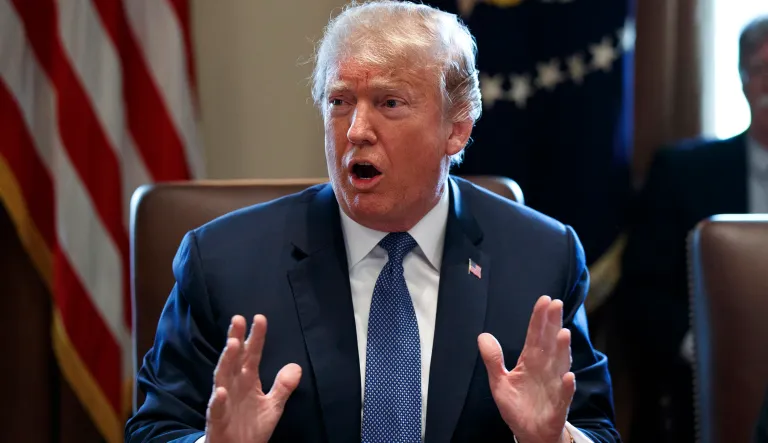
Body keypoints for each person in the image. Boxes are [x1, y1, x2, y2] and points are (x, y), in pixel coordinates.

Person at [125, 1, 619, 442]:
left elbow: (597, 429)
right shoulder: (223, 263)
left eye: (389, 103)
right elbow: (155, 427)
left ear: (457, 129)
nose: (357, 131)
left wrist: (554, 441)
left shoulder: (541, 259)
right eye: (339, 102)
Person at [616, 15, 768, 443]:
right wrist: (711, 349)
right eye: (762, 70)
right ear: (742, 81)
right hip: (703, 386)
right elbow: (642, 296)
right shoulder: (684, 173)